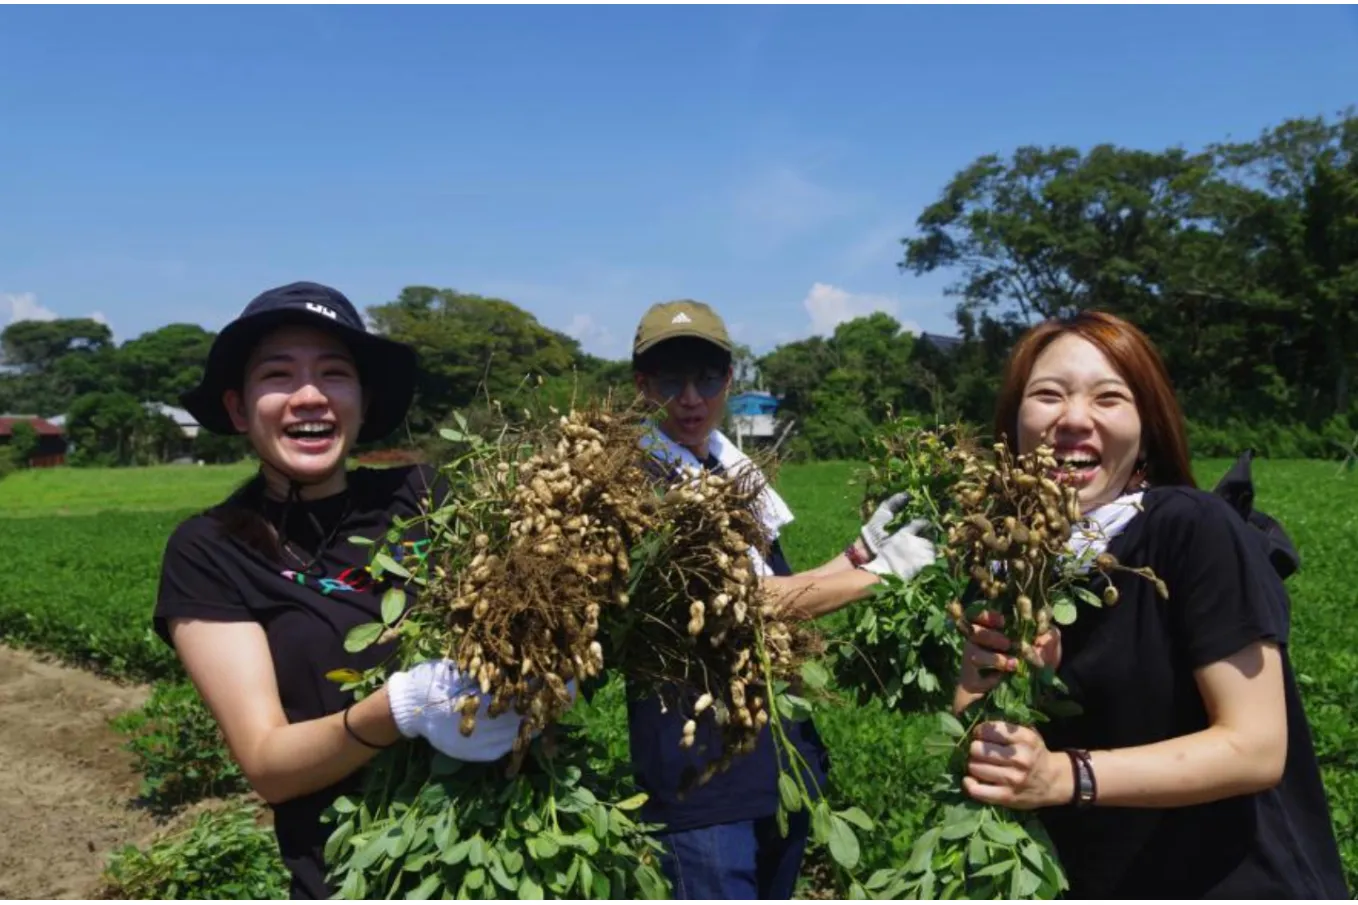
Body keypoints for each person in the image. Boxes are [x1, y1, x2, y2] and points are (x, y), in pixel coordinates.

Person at [951, 310, 1349, 898]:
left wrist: (1065, 775)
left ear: (1146, 429)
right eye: (1048, 395)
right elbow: (978, 745)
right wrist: (984, 683)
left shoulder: (1190, 528)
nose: (1074, 419)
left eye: (1109, 398)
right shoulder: (1004, 559)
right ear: (1013, 421)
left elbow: (1256, 747)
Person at [157, 282, 528, 899]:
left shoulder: (429, 498)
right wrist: (400, 710)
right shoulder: (211, 550)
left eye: (335, 373)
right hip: (349, 874)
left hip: (504, 850)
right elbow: (268, 765)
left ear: (362, 400)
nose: (310, 396)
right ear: (238, 408)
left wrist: (546, 665)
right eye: (278, 375)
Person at [624, 299, 935, 899]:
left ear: (729, 382)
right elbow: (734, 605)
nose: (690, 397)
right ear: (642, 386)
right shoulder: (636, 487)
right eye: (670, 379)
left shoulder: (735, 475)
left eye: (707, 377)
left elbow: (776, 586)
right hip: (701, 780)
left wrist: (856, 556)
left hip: (779, 767)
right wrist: (878, 577)